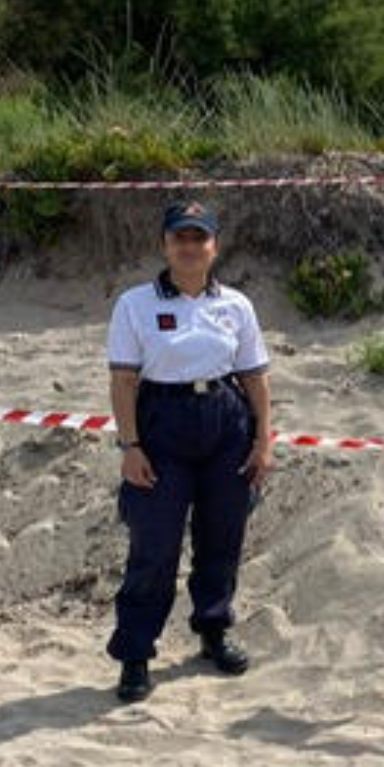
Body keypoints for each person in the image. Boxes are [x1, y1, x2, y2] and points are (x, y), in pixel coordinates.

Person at [105, 200, 274, 702]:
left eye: (199, 237)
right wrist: (130, 445)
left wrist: (263, 440)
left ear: (214, 246)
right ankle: (135, 654)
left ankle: (214, 630)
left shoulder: (237, 305)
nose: (190, 247)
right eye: (180, 237)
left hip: (226, 422)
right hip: (162, 425)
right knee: (154, 546)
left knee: (222, 536)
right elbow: (123, 380)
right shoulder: (135, 304)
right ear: (165, 245)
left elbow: (256, 376)